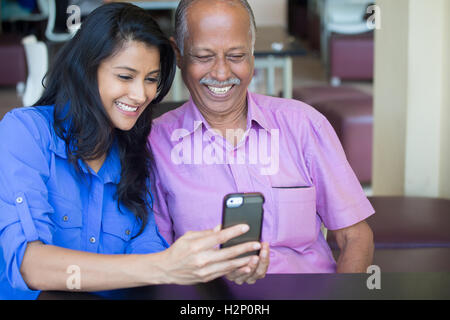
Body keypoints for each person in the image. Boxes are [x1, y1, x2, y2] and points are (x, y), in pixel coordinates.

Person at [0, 3, 262, 300]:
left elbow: (150, 261)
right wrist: (162, 266)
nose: (141, 95)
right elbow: (30, 267)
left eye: (151, 79)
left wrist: (208, 265)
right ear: (86, 71)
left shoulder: (137, 156)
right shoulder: (25, 132)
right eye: (125, 77)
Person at [149, 0, 375, 280]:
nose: (221, 73)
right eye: (204, 56)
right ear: (179, 55)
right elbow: (154, 258)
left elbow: (355, 236)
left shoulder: (303, 125)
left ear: (253, 54)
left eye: (236, 56)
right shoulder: (155, 144)